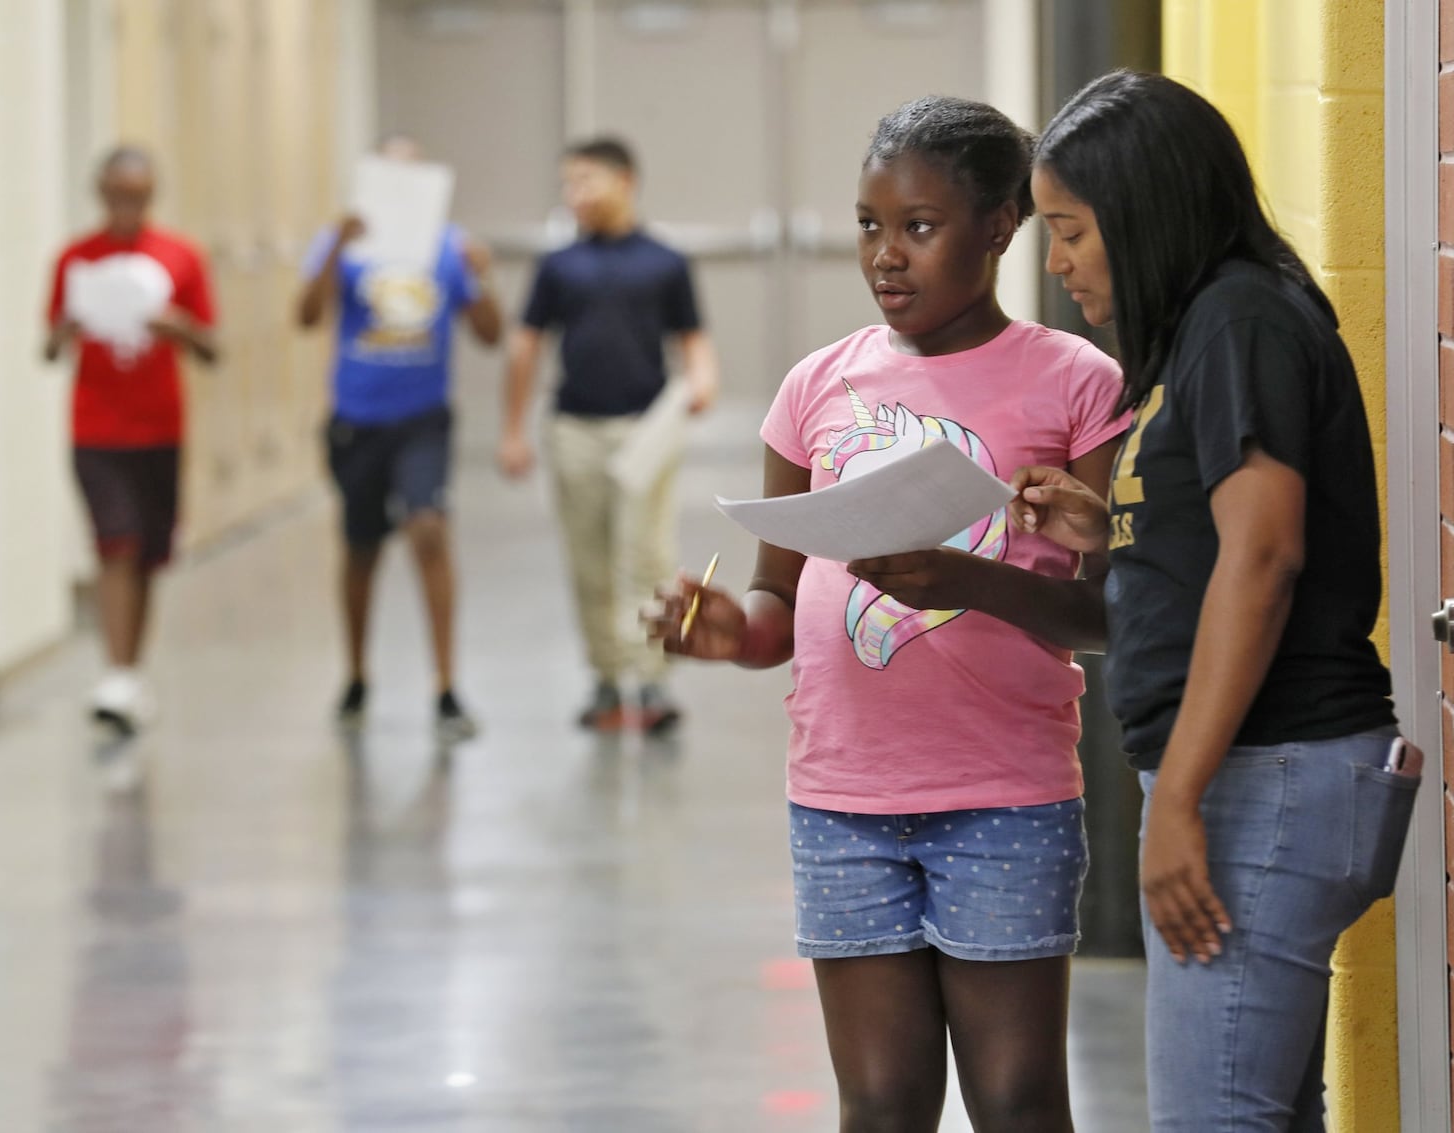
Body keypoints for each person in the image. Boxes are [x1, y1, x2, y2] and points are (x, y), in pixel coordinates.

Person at [649, 97, 1128, 1132]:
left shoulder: (1078, 382)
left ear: (1000, 227)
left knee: (1014, 1098)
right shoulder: (816, 386)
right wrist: (735, 631)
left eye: (919, 226)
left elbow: (1106, 612)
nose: (886, 257)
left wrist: (974, 583)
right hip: (843, 801)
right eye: (871, 225)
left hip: (1005, 794)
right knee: (881, 1102)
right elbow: (778, 598)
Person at [1013, 70, 1416, 1131]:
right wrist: (1111, 532)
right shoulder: (1210, 325)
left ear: (1141, 214)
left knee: (1213, 1117)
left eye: (1069, 230)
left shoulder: (1238, 317)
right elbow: (1226, 535)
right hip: (1258, 769)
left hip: (1263, 771)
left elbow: (1267, 553)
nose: (1055, 264)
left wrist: (1180, 798)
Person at [500, 137, 720, 732]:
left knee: (647, 556)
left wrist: (703, 380)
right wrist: (513, 431)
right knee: (590, 560)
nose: (574, 194)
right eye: (567, 183)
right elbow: (526, 346)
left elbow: (692, 339)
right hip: (574, 429)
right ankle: (605, 678)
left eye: (586, 180)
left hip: (646, 428)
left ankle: (650, 682)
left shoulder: (664, 262)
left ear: (625, 181)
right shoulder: (559, 265)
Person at [297, 136, 502, 740]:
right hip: (357, 422)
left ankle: (445, 687)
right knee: (360, 548)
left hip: (423, 419)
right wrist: (335, 245)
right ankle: (356, 675)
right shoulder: (345, 243)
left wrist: (481, 278)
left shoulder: (448, 246)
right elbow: (307, 315)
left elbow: (489, 332)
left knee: (428, 530)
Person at [45, 146, 218, 734]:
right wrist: (67, 326)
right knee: (113, 543)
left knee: (145, 552)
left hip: (159, 427)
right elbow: (46, 348)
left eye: (138, 195)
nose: (127, 205)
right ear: (100, 192)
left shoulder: (179, 257)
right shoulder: (76, 258)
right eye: (117, 194)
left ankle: (131, 671)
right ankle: (115, 674)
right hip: (95, 427)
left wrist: (177, 327)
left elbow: (212, 348)